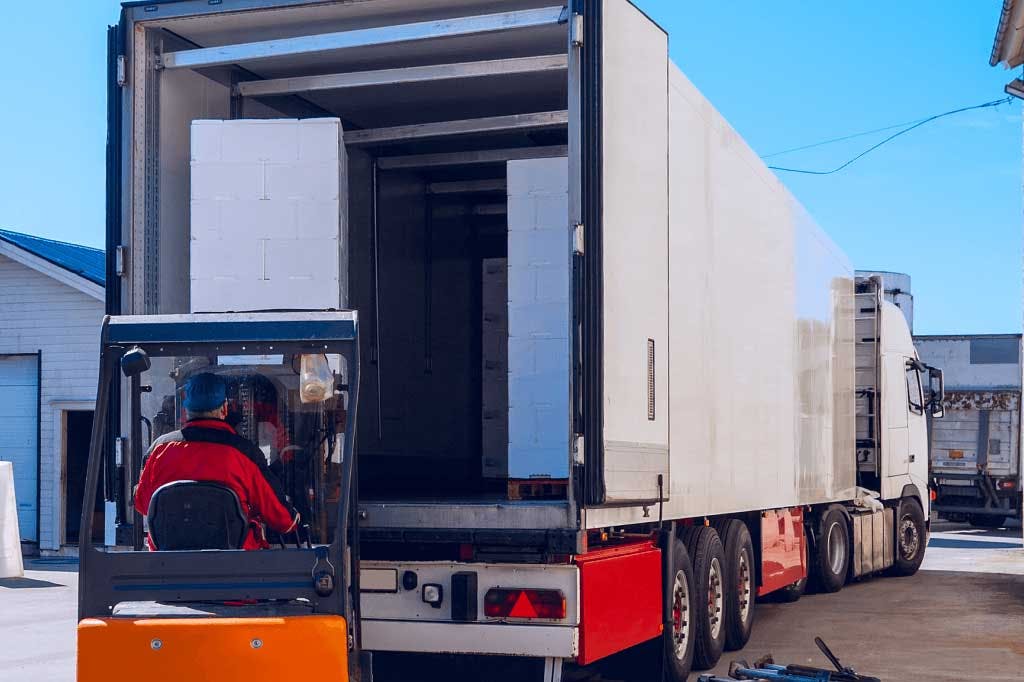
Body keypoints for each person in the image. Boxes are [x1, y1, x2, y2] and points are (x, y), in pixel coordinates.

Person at [134, 372, 300, 550]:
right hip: (236, 565)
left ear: (186, 410)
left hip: (166, 565)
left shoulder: (159, 450)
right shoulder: (244, 453)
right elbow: (282, 519)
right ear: (224, 409)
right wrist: (293, 517)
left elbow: (143, 504)